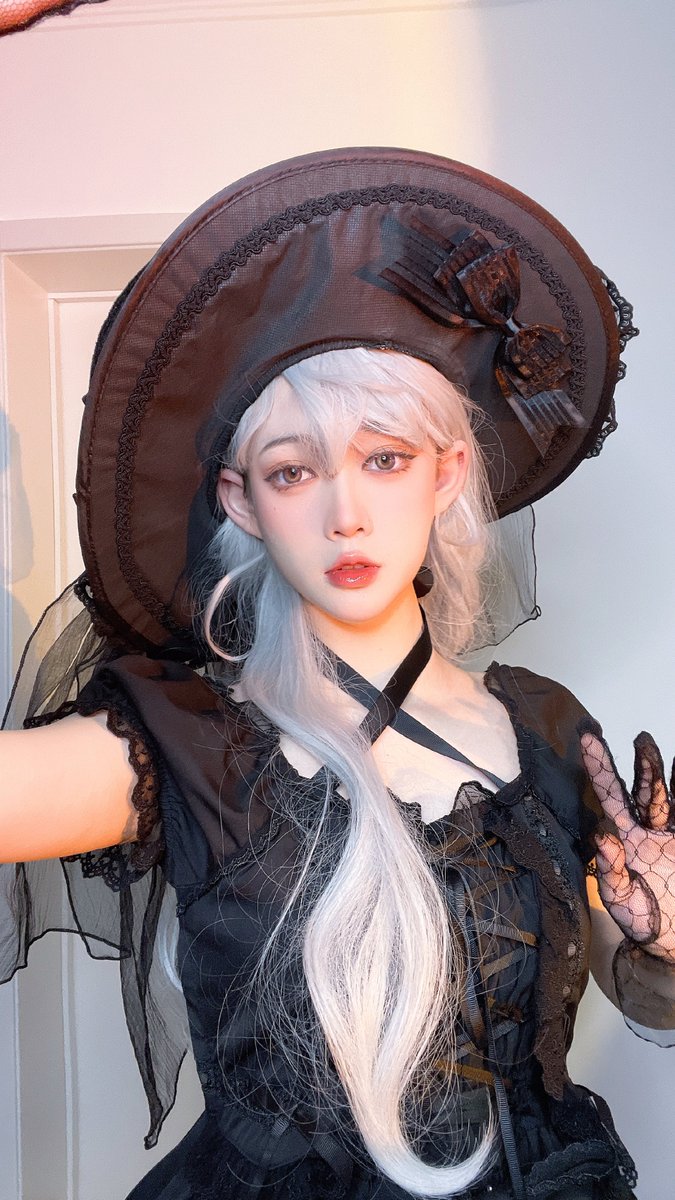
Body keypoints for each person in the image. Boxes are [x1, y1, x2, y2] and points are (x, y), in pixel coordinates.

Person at [1, 147, 673, 1200]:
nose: (344, 514)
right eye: (293, 470)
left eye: (384, 458)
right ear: (241, 501)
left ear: (447, 470)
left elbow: (618, 998)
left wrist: (664, 945)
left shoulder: (547, 729)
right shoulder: (193, 742)